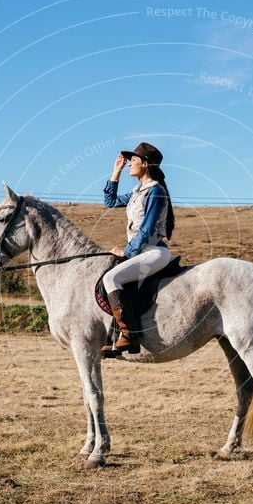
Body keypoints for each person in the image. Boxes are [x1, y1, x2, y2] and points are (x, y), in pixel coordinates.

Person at [101, 142, 175, 354]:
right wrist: (116, 171)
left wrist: (127, 251)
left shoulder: (156, 192)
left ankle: (128, 335)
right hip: (141, 252)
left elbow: (147, 229)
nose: (130, 163)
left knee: (110, 279)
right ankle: (115, 333)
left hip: (154, 251)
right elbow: (110, 201)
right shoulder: (137, 191)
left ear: (145, 164)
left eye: (133, 160)